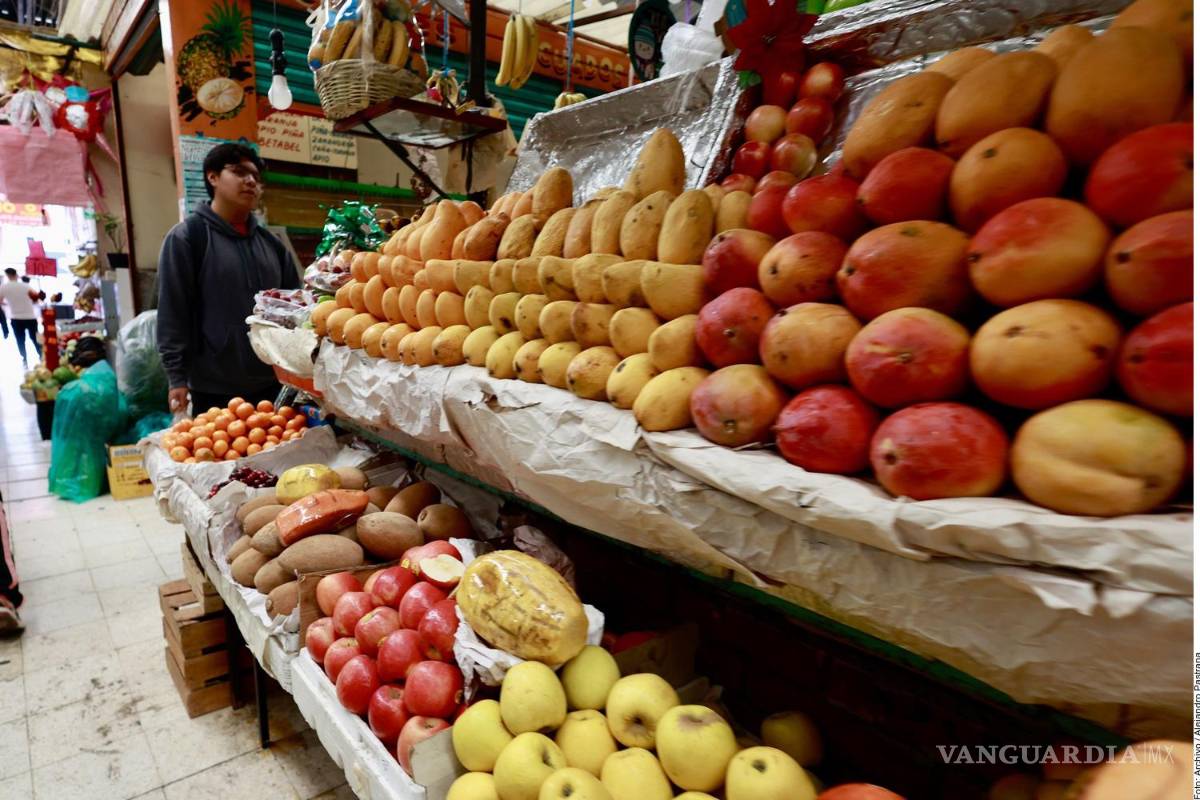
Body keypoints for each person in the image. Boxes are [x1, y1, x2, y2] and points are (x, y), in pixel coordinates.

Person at [157, 143, 300, 415]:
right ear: (212, 177)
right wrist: (176, 377)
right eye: (238, 172)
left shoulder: (273, 244)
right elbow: (173, 312)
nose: (250, 181)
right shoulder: (188, 238)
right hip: (212, 387)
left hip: (272, 382)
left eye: (256, 177)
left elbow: (294, 310)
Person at [0, 268, 40, 366]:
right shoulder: (25, 286)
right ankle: (41, 355)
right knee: (35, 338)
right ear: (16, 274)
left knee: (20, 340)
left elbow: (0, 301)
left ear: (7, 275)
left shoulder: (4, 287)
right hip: (30, 316)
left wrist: (7, 304)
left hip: (16, 318)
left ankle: (24, 359)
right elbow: (36, 298)